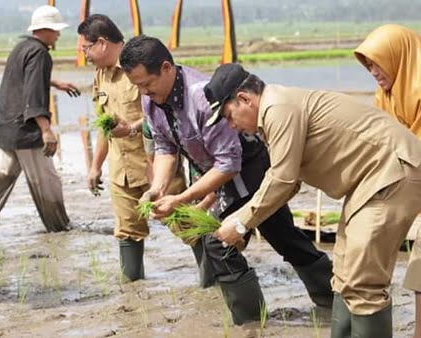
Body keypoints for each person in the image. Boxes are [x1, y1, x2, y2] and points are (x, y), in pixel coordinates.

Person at [119, 35, 333, 328]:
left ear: (166, 68)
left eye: (147, 84)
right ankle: (250, 321)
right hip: (216, 174)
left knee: (282, 238)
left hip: (249, 170)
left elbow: (229, 164)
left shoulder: (200, 98)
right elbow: (165, 147)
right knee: (220, 244)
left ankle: (331, 301)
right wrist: (157, 189)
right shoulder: (151, 102)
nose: (144, 92)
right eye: (138, 86)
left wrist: (180, 200)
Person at [208, 63, 421, 337]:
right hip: (368, 183)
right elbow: (288, 181)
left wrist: (240, 224)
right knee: (343, 277)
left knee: (363, 283)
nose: (231, 126)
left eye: (228, 116)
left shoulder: (278, 108)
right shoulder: (275, 112)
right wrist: (245, 222)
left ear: (244, 99)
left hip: (391, 173)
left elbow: (282, 180)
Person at [78, 15, 186, 281]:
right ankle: (132, 294)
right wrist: (94, 166)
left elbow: (161, 113)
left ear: (101, 43)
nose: (85, 56)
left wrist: (132, 127)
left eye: (86, 49)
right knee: (127, 231)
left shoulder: (139, 65)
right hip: (120, 170)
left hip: (154, 165)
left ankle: (212, 282)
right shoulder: (100, 77)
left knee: (184, 223)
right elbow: (106, 125)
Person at [0, 5, 80, 232]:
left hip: (6, 129)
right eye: (56, 30)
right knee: (47, 182)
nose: (58, 35)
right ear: (45, 29)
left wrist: (55, 83)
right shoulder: (40, 53)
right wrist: (45, 129)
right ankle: (60, 228)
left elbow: (25, 79)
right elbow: (33, 93)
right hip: (26, 131)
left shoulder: (21, 47)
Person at [354, 24, 421, 337]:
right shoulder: (386, 98)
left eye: (376, 62)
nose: (372, 71)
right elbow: (380, 147)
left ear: (398, 57)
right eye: (367, 65)